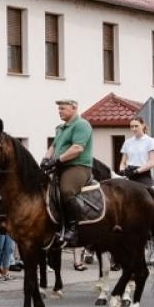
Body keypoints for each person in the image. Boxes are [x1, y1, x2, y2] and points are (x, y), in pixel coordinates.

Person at [43, 99, 94, 246]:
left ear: (74, 108)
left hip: (78, 167)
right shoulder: (61, 128)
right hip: (61, 167)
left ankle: (74, 228)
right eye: (59, 109)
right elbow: (53, 147)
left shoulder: (81, 125)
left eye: (63, 109)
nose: (60, 112)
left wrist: (58, 160)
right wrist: (45, 159)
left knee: (66, 190)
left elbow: (77, 148)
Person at [117, 116, 154, 181]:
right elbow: (123, 162)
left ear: (143, 125)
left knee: (150, 191)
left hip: (143, 175)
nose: (134, 129)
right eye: (132, 127)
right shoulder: (127, 142)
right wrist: (122, 171)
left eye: (136, 126)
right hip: (129, 173)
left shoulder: (150, 141)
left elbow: (152, 162)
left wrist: (136, 171)